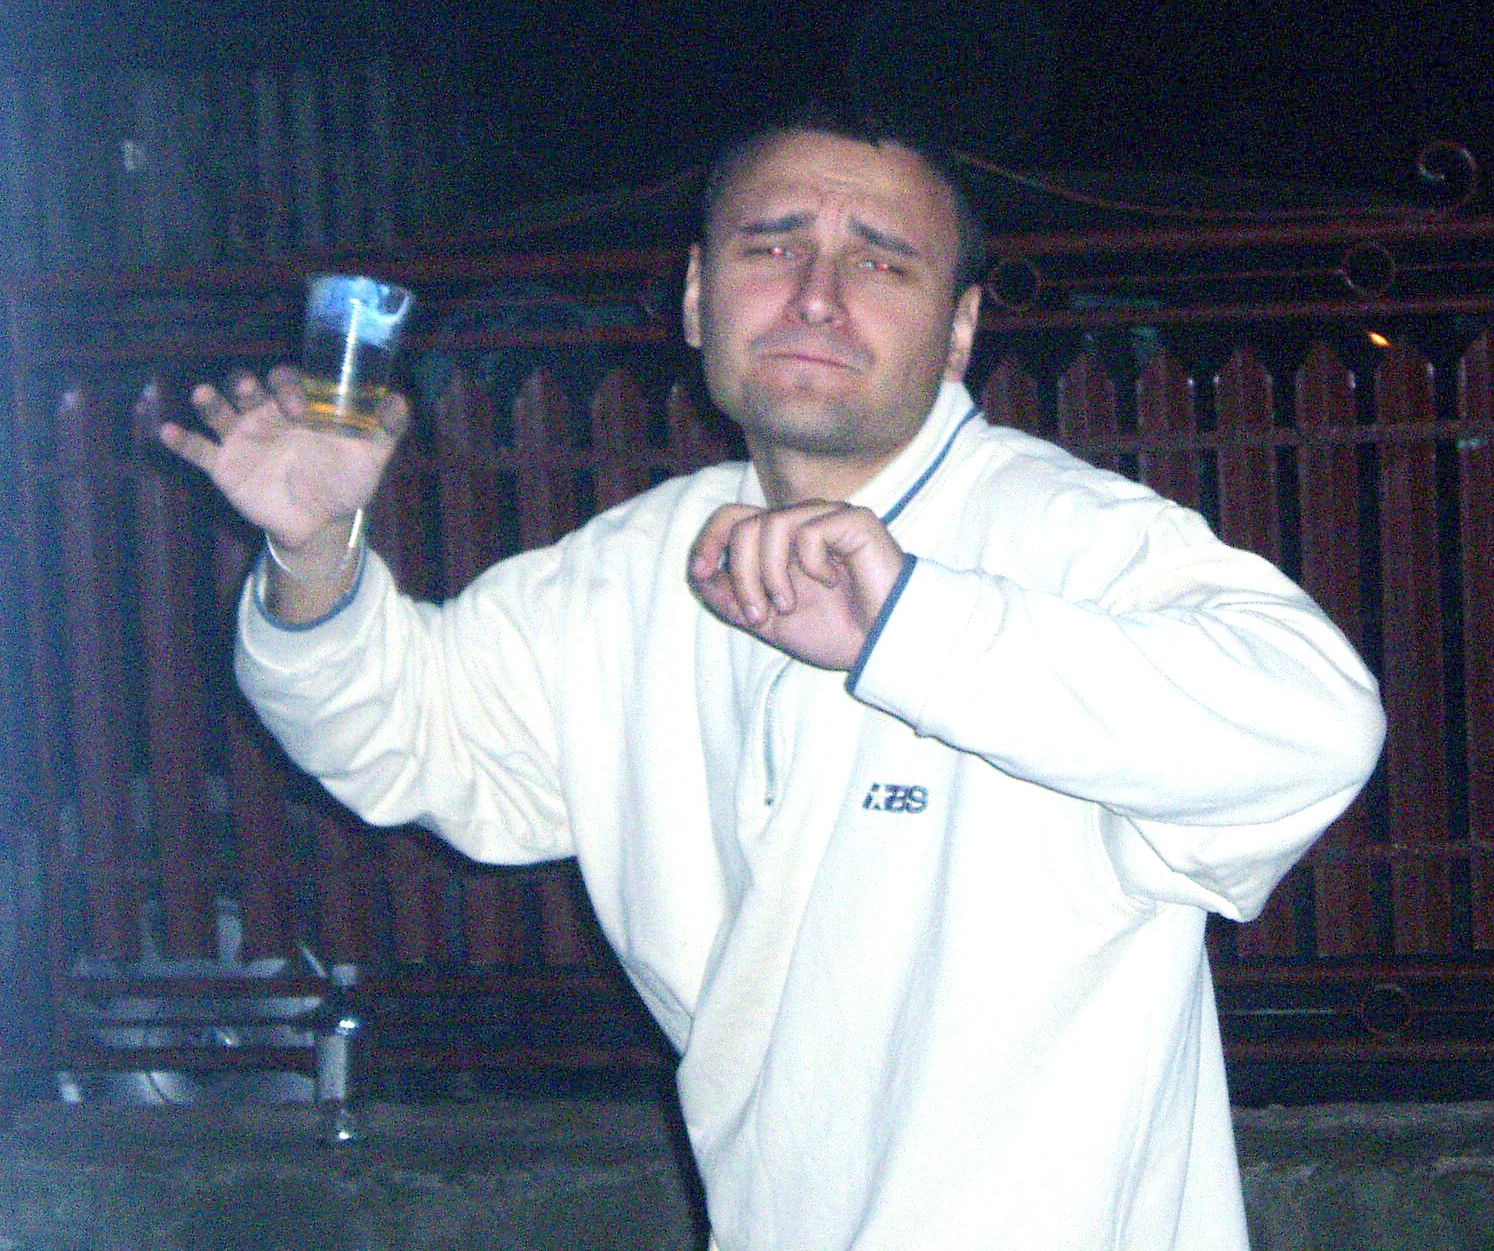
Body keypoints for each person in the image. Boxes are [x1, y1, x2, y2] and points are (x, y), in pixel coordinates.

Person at [159, 111, 1386, 1251]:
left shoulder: (1067, 539)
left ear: (960, 330)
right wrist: (313, 552)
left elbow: (1316, 726)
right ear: (698, 298)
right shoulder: (640, 568)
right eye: (772, 246)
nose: (816, 295)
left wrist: (910, 628)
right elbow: (404, 733)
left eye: (881, 261)